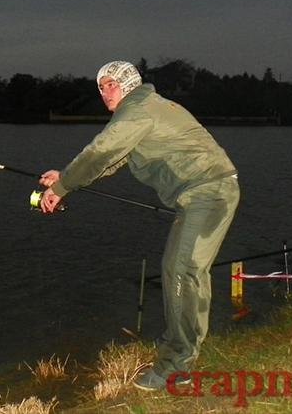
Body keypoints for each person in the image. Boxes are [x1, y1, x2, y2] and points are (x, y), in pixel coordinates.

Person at [37, 60, 239, 391]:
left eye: (110, 84)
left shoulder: (138, 109)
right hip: (204, 193)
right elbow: (112, 160)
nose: (104, 93)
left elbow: (101, 150)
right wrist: (65, 177)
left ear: (128, 83)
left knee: (181, 271)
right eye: (100, 87)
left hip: (209, 191)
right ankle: (178, 343)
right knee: (181, 270)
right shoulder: (143, 109)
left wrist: (61, 189)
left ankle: (177, 365)